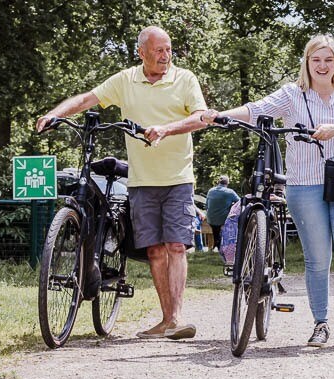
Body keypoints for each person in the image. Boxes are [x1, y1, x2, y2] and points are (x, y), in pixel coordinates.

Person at [199, 35, 334, 348]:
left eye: (328, 60)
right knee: (317, 258)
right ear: (307, 63)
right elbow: (256, 110)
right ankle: (320, 322)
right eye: (316, 60)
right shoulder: (292, 95)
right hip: (304, 186)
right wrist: (221, 114)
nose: (322, 65)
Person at [36, 26, 208, 341]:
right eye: (158, 50)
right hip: (141, 181)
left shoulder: (185, 79)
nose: (165, 56)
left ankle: (178, 317)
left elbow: (201, 117)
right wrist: (53, 114)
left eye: (168, 49)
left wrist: (166, 130)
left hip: (178, 178)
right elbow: (87, 99)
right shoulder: (126, 80)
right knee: (155, 251)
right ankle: (167, 319)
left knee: (176, 245)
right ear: (141, 52)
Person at [205, 175, 240, 260]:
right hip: (223, 220)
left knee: (216, 233)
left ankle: (216, 246)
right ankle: (223, 250)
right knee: (224, 231)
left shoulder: (211, 191)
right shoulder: (230, 192)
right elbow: (239, 202)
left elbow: (207, 205)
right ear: (227, 183)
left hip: (211, 218)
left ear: (218, 182)